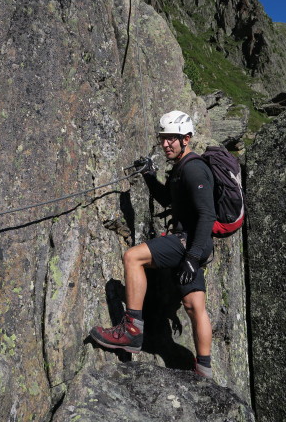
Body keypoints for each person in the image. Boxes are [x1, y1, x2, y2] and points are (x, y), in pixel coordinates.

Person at [90, 110, 216, 378]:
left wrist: (192, 257)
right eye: (163, 138)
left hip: (191, 243)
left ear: (187, 139)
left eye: (172, 138)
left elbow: (207, 214)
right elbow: (168, 200)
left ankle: (131, 331)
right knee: (195, 306)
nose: (166, 144)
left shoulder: (194, 169)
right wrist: (149, 175)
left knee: (133, 257)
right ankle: (204, 370)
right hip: (195, 245)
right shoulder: (181, 168)